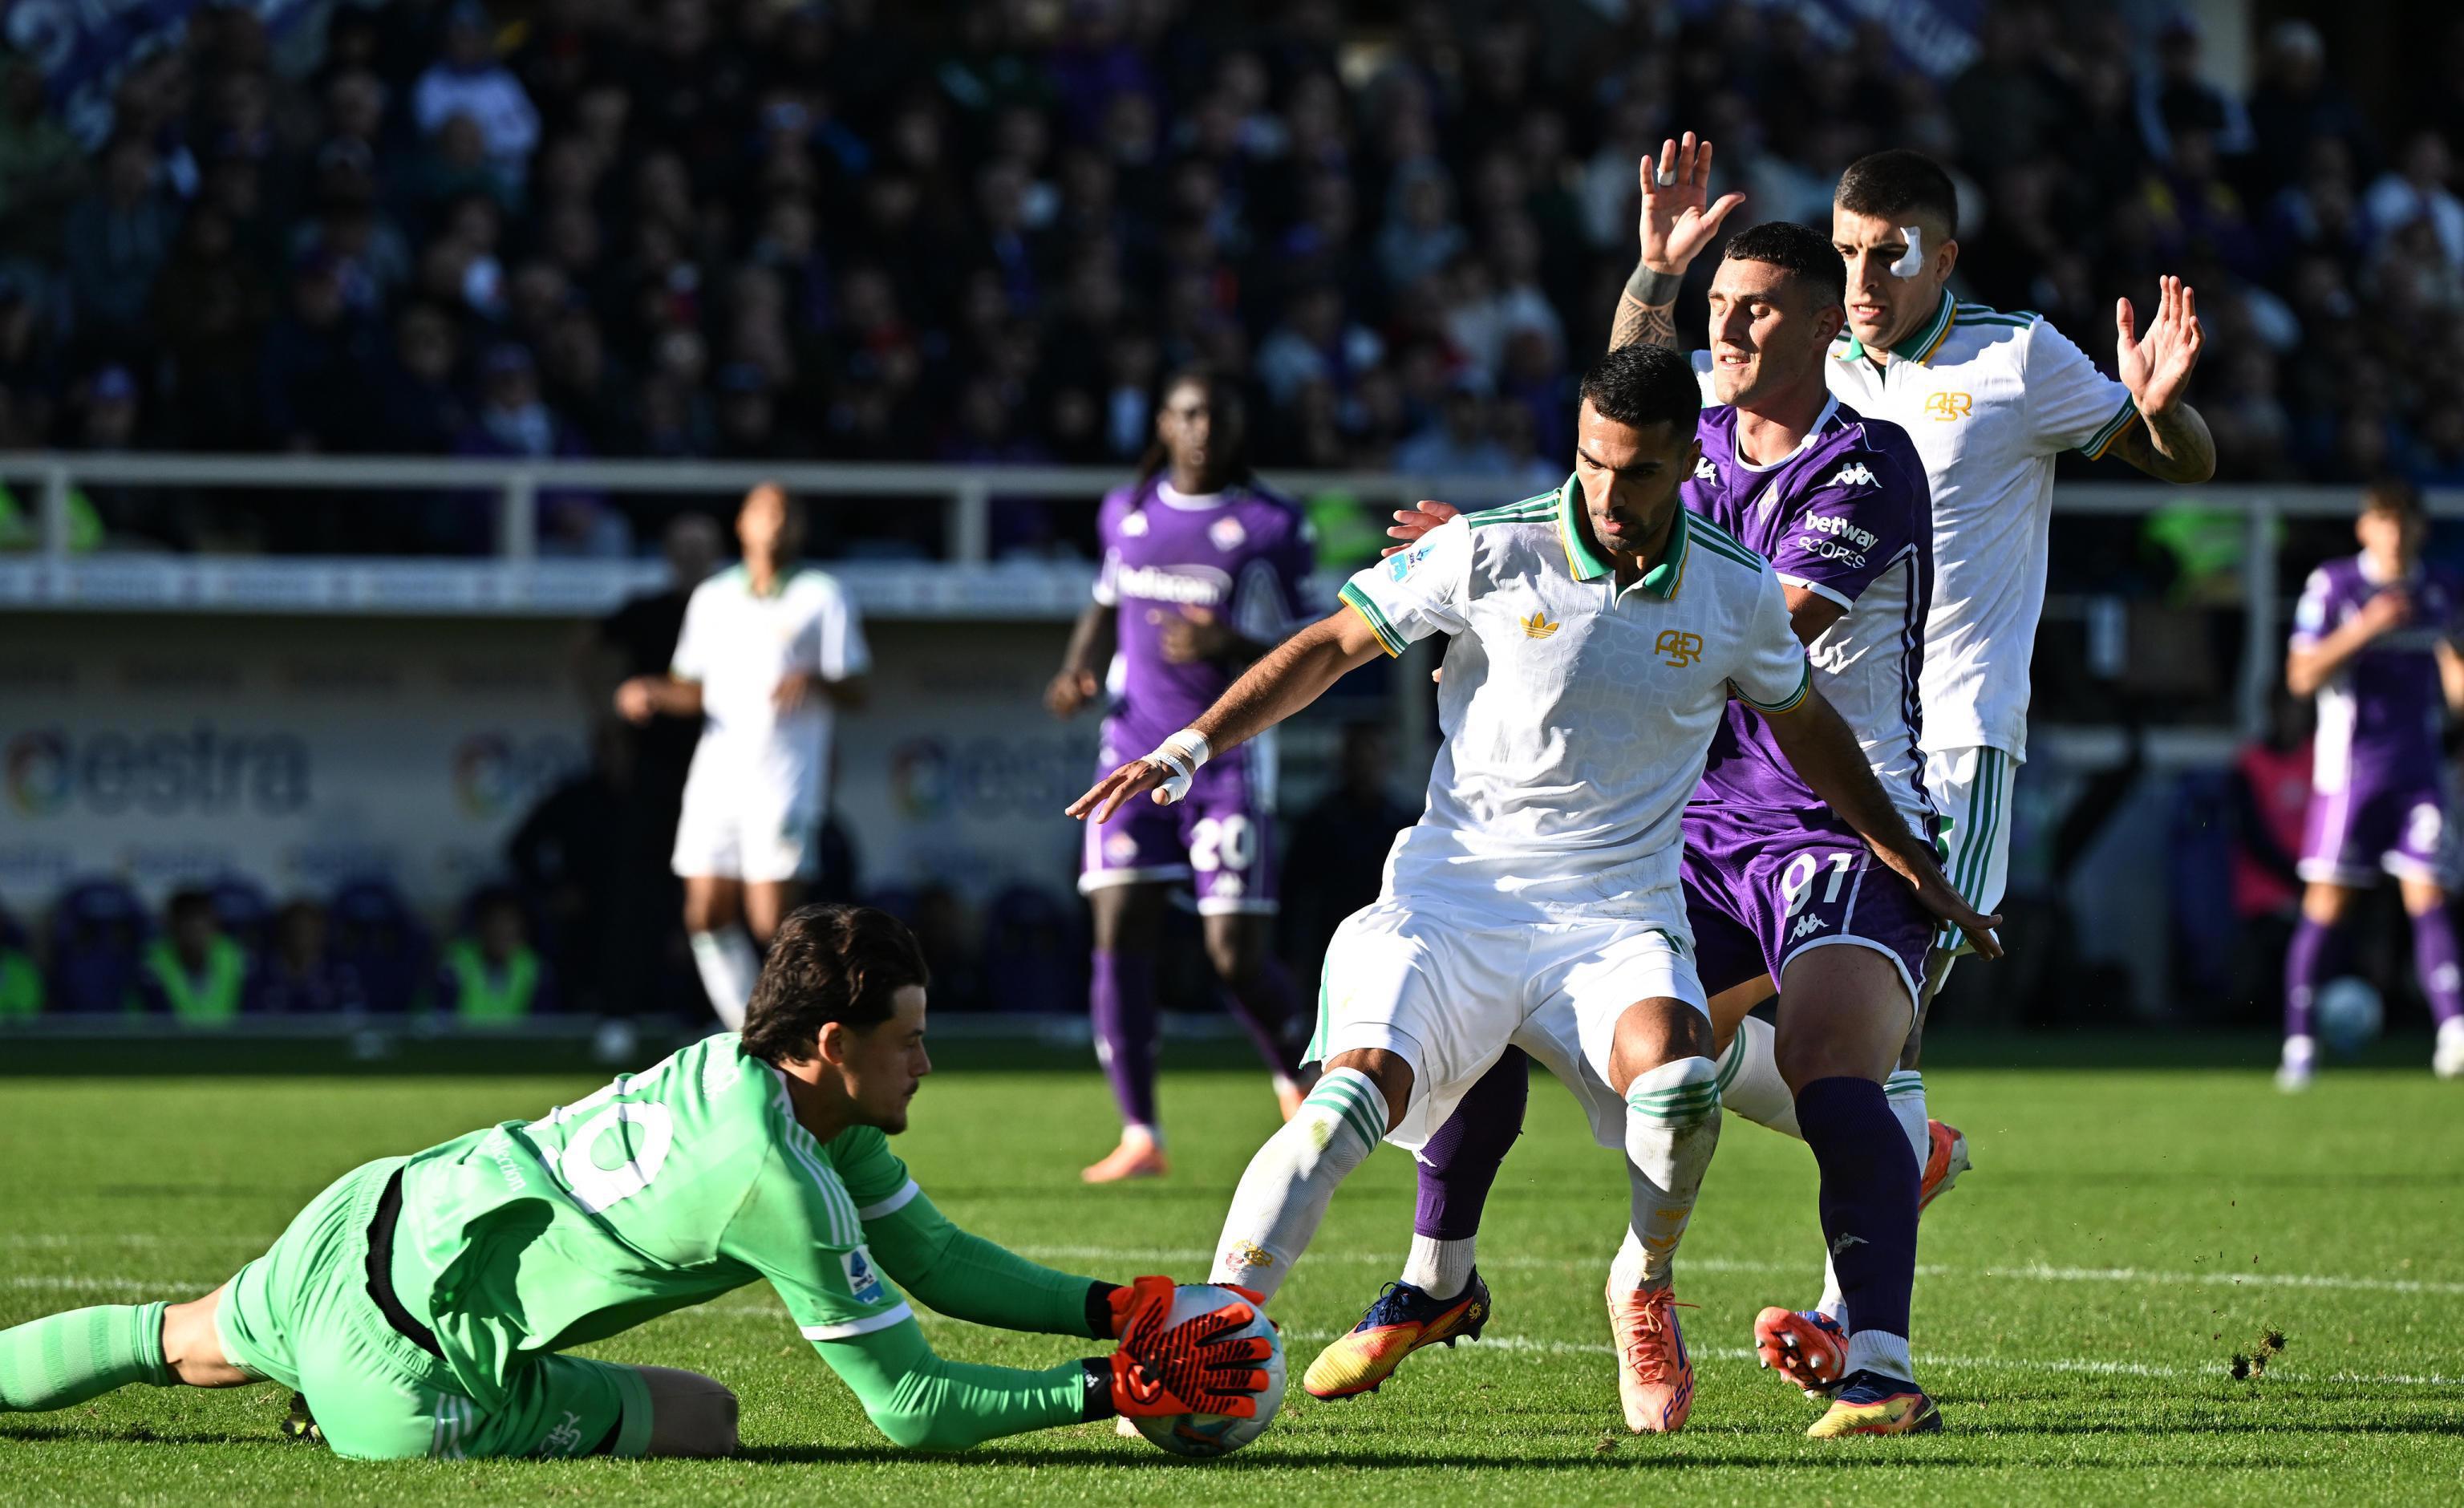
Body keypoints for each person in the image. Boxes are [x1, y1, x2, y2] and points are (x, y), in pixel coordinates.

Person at [1067, 343, 1990, 1439]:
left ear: (1683, 464)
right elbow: (1330, 645)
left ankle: (1643, 1282)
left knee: (1677, 1083)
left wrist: (1906, 854)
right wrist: (1187, 746)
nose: (1608, 494)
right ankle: (1206, 1337)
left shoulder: (1737, 590)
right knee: (1342, 1109)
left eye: (1637, 472)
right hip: (1450, 905)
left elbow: (1810, 726)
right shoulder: (1486, 549)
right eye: (1592, 463)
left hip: (1616, 919)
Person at [1597, 137, 2213, 1391]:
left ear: (1946, 257)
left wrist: (2159, 412)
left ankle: (1851, 1315)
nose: (1865, 278)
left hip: (1946, 738)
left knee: (1877, 1019)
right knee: (1671, 1036)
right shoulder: (1798, 353)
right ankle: (1901, 1163)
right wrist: (1655, 276)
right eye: (1847, 253)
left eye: (1891, 254)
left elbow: (2178, 460)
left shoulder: (2016, 357)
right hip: (1762, 747)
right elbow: (1637, 400)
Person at [1343, 221, 1975, 1437]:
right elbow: (1618, 412)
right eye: (1717, 303)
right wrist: (1652, 278)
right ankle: (1457, 1276)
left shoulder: (1866, 463)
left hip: (1837, 818)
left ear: (1824, 329)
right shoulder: (1691, 431)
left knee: (1831, 1060)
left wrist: (1519, 585)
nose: (1723, 326)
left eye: (1756, 308)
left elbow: (1751, 629)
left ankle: (1882, 1368)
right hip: (1693, 811)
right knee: (1510, 995)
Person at [0, 905, 1271, 1459]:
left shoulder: (748, 1074)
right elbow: (912, 1408)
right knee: (708, 1417)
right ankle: (341, 1402)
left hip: (372, 1213)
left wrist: (1115, 1306)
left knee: (175, 1338)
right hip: (412, 1385)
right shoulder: (774, 1176)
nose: (928, 1064)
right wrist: (1110, 1388)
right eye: (910, 1041)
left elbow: (934, 1258)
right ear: (835, 1043)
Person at [1046, 367, 1318, 1182]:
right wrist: (1078, 668)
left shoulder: (1271, 523)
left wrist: (1226, 643)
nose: (1203, 429)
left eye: (1217, 415)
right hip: (1130, 755)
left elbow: (1316, 640)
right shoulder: (1126, 512)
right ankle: (1140, 1132)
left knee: (1233, 952)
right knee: (1118, 929)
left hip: (1225, 760)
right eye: (1189, 414)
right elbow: (1105, 602)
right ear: (1163, 423)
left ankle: (1299, 1077)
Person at [618, 485, 868, 1030]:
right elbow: (692, 689)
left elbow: (858, 689)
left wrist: (816, 678)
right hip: (717, 778)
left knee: (772, 920)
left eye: (787, 514)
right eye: (765, 512)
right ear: (742, 524)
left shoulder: (823, 595)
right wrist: (651, 691)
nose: (776, 523)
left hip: (784, 777)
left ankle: (817, 1024)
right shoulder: (712, 597)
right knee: (705, 915)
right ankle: (751, 1033)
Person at [2280, 481, 2464, 1086]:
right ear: (2365, 528)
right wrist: (2365, 629)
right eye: (2385, 521)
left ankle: (2454, 1032)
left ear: (2421, 529)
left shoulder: (2441, 590)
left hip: (2420, 772)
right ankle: (2299, 1044)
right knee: (2328, 902)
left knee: (2429, 892)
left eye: (2405, 522)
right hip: (2351, 773)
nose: (2395, 534)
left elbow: (2456, 685)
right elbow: (2300, 676)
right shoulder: (2336, 586)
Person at [434, 887, 554, 1023]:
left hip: (515, 1038)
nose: (502, 931)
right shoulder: (456, 962)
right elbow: (442, 1018)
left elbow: (543, 1024)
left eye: (509, 924)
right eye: (496, 923)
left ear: (522, 930)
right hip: (465, 1037)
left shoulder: (534, 968)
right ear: (481, 927)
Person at [138, 889, 252, 1024]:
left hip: (229, 1038)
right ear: (172, 926)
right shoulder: (151, 961)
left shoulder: (234, 955)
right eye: (188, 925)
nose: (196, 934)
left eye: (202, 924)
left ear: (214, 925)